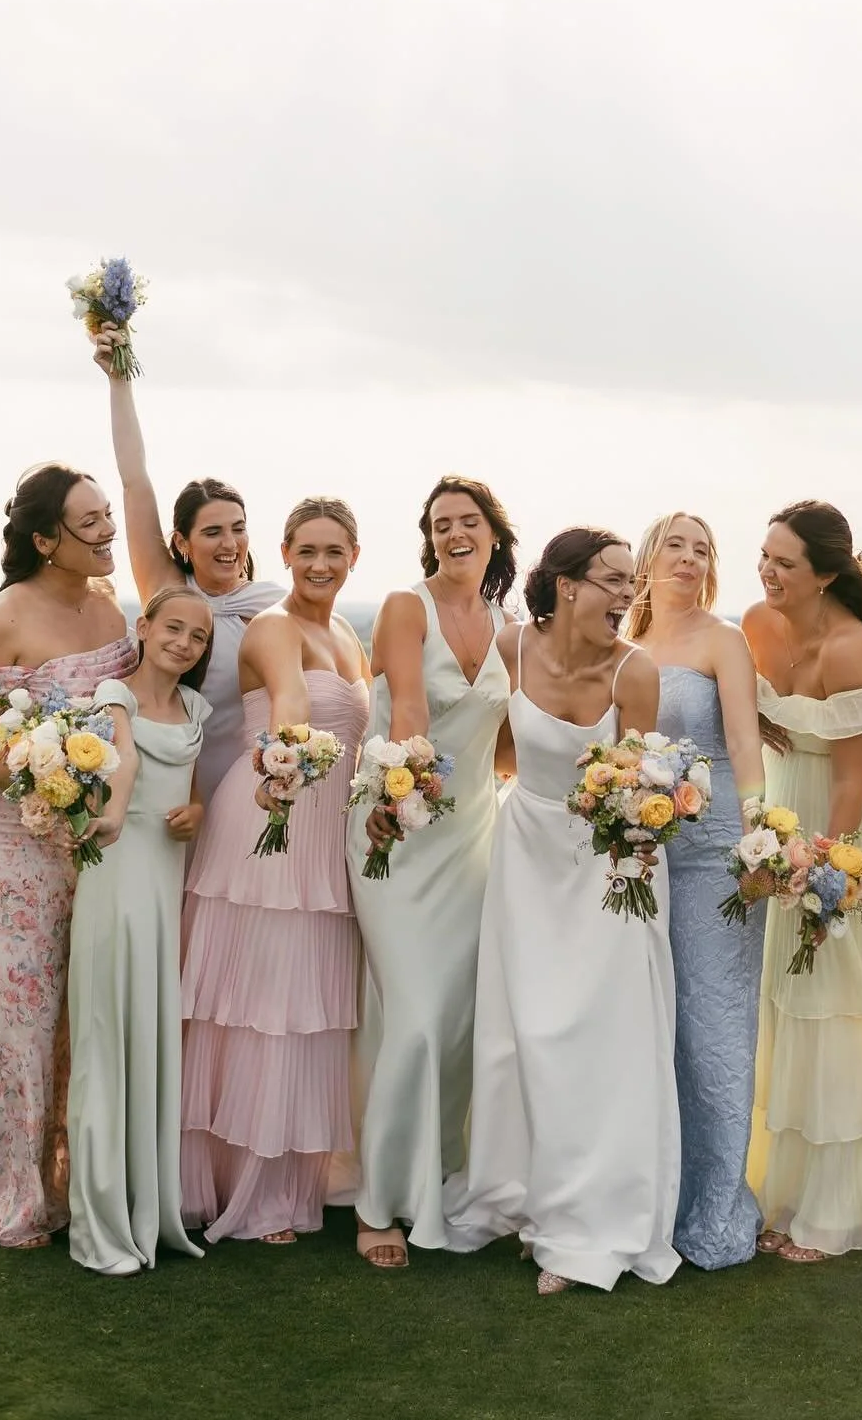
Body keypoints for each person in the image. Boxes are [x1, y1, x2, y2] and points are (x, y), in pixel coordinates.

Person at [449, 529, 681, 1296]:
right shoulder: (511, 647)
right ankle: (526, 1195)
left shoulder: (634, 671)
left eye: (630, 582)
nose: (626, 593)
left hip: (612, 862)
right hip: (527, 854)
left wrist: (626, 835)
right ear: (567, 584)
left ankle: (589, 1221)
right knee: (522, 1032)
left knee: (600, 1039)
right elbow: (498, 752)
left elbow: (642, 784)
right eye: (612, 578)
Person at [180, 498, 369, 1245]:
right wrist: (288, 763)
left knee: (304, 1011)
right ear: (284, 553)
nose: (320, 564)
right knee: (261, 1007)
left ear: (354, 556)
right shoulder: (271, 626)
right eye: (307, 550)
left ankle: (292, 1181)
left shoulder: (349, 633)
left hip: (328, 837)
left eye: (334, 551)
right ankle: (246, 1193)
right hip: (271, 817)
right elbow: (290, 701)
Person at [0, 465, 136, 1249]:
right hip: (8, 849)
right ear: (44, 539)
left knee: (78, 1019)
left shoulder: (107, 606)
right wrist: (39, 777)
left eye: (107, 514)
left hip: (90, 848)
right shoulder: (2, 619)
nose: (107, 530)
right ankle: (10, 1199)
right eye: (88, 521)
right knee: (23, 1024)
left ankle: (68, 1186)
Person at [348, 476, 518, 1270]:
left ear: (493, 534)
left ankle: (443, 1175)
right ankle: (378, 1201)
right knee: (414, 1016)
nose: (455, 532)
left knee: (456, 1020)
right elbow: (410, 710)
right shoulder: (404, 606)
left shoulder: (509, 628)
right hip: (393, 829)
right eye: (441, 522)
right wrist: (400, 795)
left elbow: (505, 742)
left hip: (473, 839)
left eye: (468, 520)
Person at [743, 500, 862, 1263]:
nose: (767, 571)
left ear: (823, 574)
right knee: (784, 1005)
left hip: (846, 824)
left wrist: (826, 873)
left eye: (784, 562)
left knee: (836, 1010)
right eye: (765, 555)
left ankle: (833, 1212)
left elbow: (852, 780)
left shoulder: (852, 649)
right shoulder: (756, 622)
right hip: (783, 808)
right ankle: (776, 1194)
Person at [627, 511, 767, 1269]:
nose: (689, 558)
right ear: (647, 557)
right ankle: (650, 1200)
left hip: (716, 859)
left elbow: (743, 742)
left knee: (712, 1032)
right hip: (638, 858)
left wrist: (758, 841)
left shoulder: (724, 639)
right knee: (649, 1032)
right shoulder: (626, 644)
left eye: (702, 549)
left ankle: (715, 1209)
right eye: (675, 545)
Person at [68, 587, 215, 1275]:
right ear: (144, 627)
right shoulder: (113, 696)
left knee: (150, 1038)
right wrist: (116, 812)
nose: (183, 642)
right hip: (117, 873)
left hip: (164, 887)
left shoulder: (196, 709)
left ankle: (149, 1212)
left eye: (197, 636)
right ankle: (98, 1227)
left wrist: (197, 812)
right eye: (173, 628)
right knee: (106, 1039)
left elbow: (191, 789)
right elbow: (122, 761)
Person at [91, 321, 284, 807]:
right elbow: (134, 480)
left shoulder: (274, 607)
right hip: (173, 784)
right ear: (182, 542)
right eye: (213, 532)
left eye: (238, 528)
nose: (229, 543)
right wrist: (119, 381)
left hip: (253, 784)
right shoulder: (169, 589)